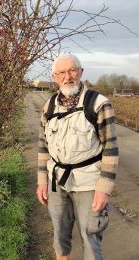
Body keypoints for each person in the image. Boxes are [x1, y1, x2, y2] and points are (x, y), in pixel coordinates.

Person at [36, 53, 119, 260]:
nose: (68, 77)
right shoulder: (49, 106)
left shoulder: (99, 104)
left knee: (90, 236)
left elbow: (111, 148)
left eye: (72, 70)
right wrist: (42, 181)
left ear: (81, 73)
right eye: (62, 73)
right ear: (55, 77)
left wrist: (104, 190)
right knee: (60, 235)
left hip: (89, 183)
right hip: (57, 182)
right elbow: (43, 146)